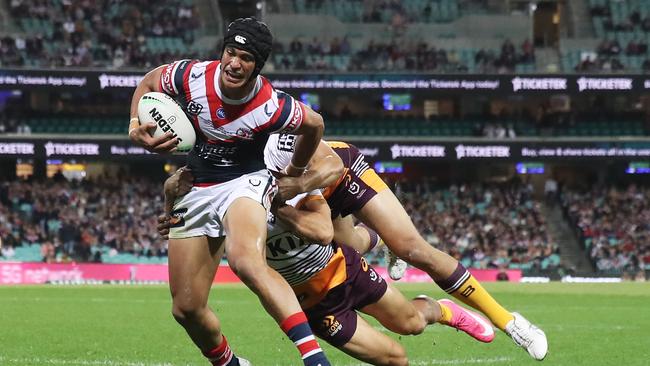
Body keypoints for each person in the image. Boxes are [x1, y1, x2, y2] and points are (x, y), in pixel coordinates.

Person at [159, 149, 495, 366]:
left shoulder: (287, 177)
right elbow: (190, 214)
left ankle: (443, 309)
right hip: (313, 305)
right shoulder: (223, 198)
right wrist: (175, 214)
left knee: (412, 324)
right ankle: (380, 239)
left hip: (343, 269)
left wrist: (276, 205)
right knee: (396, 359)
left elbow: (322, 230)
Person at [128, 18, 331, 366]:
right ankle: (230, 364)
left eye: (246, 58)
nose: (235, 63)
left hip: (245, 180)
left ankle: (314, 358)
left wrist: (295, 174)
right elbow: (150, 81)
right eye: (230, 52)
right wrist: (134, 124)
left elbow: (315, 125)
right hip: (196, 183)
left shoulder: (271, 105)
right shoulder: (192, 76)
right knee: (186, 308)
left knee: (245, 260)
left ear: (257, 66)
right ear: (222, 52)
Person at [272, 137, 548, 361]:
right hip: (306, 203)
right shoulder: (234, 169)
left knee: (411, 248)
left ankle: (509, 322)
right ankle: (384, 238)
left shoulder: (271, 120)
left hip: (336, 177)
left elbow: (326, 155)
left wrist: (298, 185)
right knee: (354, 245)